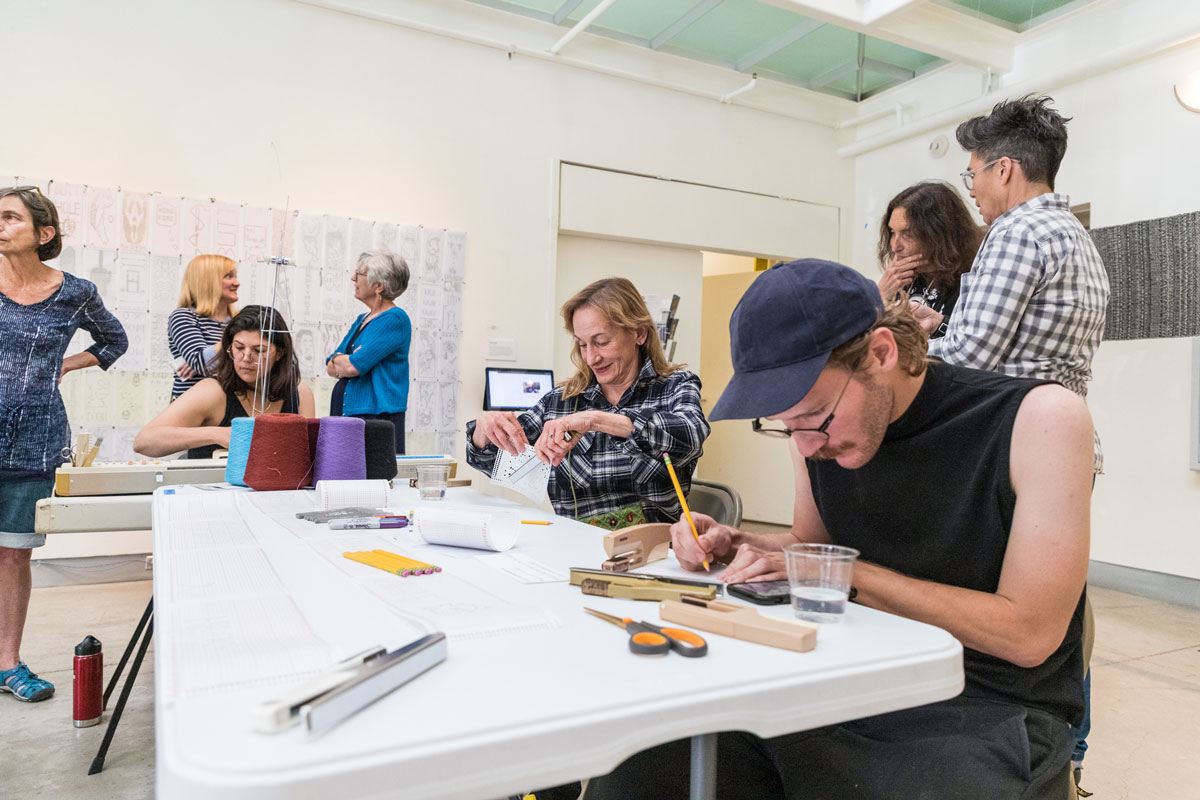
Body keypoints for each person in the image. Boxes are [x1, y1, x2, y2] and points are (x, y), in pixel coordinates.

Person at [585, 259, 1091, 800]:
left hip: (980, 704)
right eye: (785, 427)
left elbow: (1030, 634)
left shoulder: (1038, 421)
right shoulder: (814, 433)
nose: (805, 446)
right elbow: (809, 546)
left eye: (815, 418)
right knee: (641, 773)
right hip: (842, 674)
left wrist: (849, 577)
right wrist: (739, 544)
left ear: (881, 352)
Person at [916, 94, 1109, 791]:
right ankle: (1067, 753)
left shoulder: (1017, 234)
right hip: (1067, 449)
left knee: (1001, 623)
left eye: (972, 174)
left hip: (1010, 452)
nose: (970, 189)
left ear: (1004, 170)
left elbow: (972, 354)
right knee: (1061, 614)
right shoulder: (1076, 237)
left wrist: (914, 333)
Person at [0, 186, 127, 703]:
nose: (0, 224)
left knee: (13, 556)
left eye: (9, 217)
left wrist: (65, 365)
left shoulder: (75, 292)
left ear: (43, 233)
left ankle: (7, 663)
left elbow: (114, 341)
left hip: (33, 444)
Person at [466, 277, 710, 528]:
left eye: (602, 342)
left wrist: (596, 420)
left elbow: (691, 435)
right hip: (577, 550)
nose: (592, 358)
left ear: (639, 333)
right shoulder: (559, 403)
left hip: (655, 552)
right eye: (582, 345)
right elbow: (493, 460)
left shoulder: (675, 387)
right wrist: (485, 431)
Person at [135, 305, 314, 459]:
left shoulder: (300, 395)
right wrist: (219, 434)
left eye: (259, 350)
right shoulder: (213, 392)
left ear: (280, 353)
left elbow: (305, 457)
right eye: (239, 347)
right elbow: (144, 441)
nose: (246, 358)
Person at [326, 250, 411, 453]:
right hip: (347, 413)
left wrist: (343, 362)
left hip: (376, 417)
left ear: (378, 286)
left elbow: (354, 366)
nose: (353, 278)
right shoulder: (362, 319)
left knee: (373, 479)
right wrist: (340, 362)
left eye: (359, 274)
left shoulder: (394, 319)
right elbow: (330, 364)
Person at [876, 181, 983, 338]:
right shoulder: (901, 279)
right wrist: (880, 295)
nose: (895, 246)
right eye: (893, 232)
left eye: (908, 234)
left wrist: (940, 323)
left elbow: (971, 345)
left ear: (938, 234)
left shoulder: (974, 278)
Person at [168, 254, 239, 399]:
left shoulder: (237, 321)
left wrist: (209, 358)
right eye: (228, 276)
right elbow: (202, 364)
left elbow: (253, 366)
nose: (237, 283)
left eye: (235, 276)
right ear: (207, 282)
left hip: (229, 404)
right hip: (191, 408)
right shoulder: (183, 316)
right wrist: (235, 343)